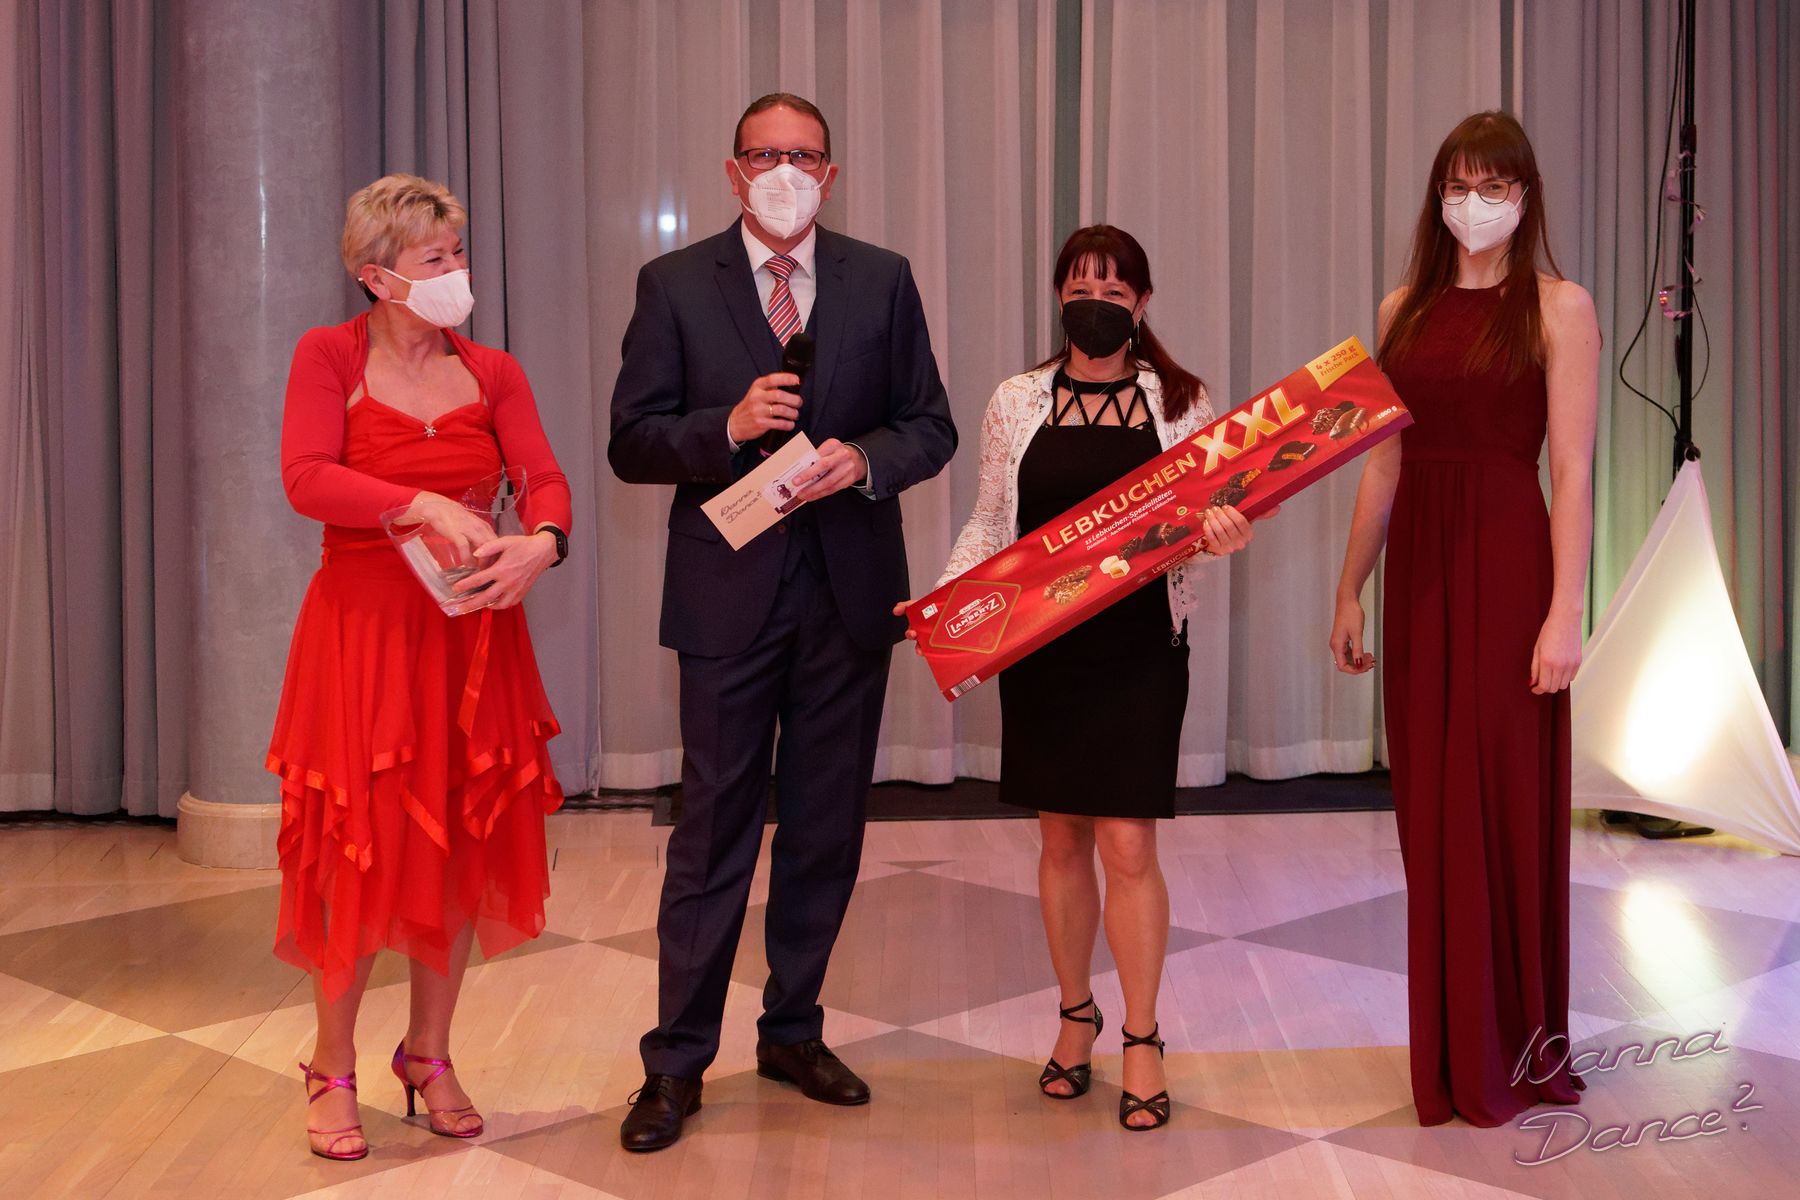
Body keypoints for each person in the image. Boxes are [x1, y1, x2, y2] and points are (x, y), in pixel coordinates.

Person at [608, 93, 956, 1152]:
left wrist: (867, 461)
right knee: (712, 830)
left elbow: (929, 424)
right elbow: (631, 440)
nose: (785, 172)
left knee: (824, 826)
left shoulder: (881, 278)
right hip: (727, 597)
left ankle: (793, 1031)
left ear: (831, 175)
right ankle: (675, 1062)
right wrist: (724, 427)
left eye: (804, 156)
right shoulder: (675, 283)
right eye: (765, 155)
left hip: (847, 595)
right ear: (733, 172)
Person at [906, 225, 1259, 1131]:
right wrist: (946, 606)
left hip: (1140, 648)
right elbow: (991, 520)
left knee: (1128, 845)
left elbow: (1201, 524)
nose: (1094, 303)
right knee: (1060, 841)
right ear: (1059, 297)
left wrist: (1221, 536)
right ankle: (1075, 1018)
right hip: (1042, 649)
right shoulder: (1016, 399)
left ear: (1142, 303)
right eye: (1079, 287)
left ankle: (1142, 1036)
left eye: (1113, 289)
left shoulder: (1182, 401)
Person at [270, 174, 573, 1160]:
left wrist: (543, 542)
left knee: (459, 844)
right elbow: (306, 477)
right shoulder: (328, 355)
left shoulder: (494, 370)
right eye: (435, 258)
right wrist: (418, 503)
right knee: (354, 850)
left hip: (471, 632)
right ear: (378, 277)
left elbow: (544, 479)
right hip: (364, 638)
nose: (457, 272)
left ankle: (428, 1053)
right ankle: (332, 1064)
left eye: (458, 253)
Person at [1329, 111, 1600, 1126]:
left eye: (1493, 186)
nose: (1473, 204)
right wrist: (1350, 587)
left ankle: (1512, 1046)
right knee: (1434, 809)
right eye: (1458, 185)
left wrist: (1564, 612)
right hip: (1422, 576)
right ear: (1437, 194)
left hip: (1509, 561)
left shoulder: (1560, 306)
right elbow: (1383, 461)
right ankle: (1451, 1047)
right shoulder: (1402, 307)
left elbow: (1572, 470)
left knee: (1503, 800)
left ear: (1525, 198)